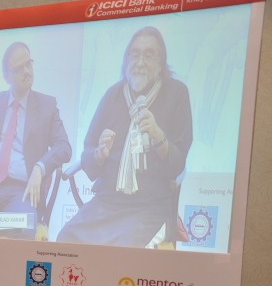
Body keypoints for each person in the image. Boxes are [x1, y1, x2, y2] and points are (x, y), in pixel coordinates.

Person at [56, 26, 192, 247]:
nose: (140, 62)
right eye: (134, 54)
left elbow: (178, 163)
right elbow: (88, 153)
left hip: (150, 206)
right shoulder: (113, 95)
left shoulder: (177, 94)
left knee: (124, 252)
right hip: (106, 202)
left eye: (149, 55)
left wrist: (158, 136)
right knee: (66, 238)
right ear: (126, 59)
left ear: (161, 62)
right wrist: (99, 154)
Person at [0, 42, 71, 238]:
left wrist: (40, 168)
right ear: (6, 76)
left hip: (22, 191)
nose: (27, 71)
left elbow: (64, 147)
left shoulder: (47, 106)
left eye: (29, 64)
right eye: (19, 68)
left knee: (21, 236)